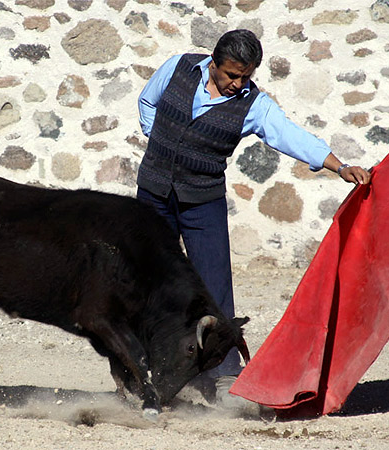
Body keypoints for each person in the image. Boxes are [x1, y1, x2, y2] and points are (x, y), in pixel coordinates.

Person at [135, 29, 371, 408]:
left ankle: (225, 372)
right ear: (212, 64)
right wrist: (158, 141)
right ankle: (145, 369)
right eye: (231, 75)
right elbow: (148, 101)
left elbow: (289, 135)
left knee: (214, 286)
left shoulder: (254, 104)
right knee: (147, 283)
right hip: (153, 193)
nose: (237, 83)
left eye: (245, 76)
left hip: (202, 201)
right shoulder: (177, 68)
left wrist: (338, 166)